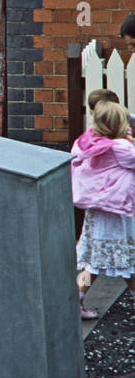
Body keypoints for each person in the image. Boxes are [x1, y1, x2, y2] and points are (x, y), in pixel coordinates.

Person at [71, 100, 135, 319]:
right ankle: (77, 297)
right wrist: (129, 137)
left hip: (97, 212)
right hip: (116, 215)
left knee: (93, 264)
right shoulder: (123, 148)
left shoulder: (89, 143)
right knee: (127, 261)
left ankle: (76, 298)